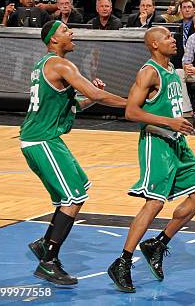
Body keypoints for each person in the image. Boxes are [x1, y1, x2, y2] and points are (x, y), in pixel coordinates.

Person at [21, 20, 126, 285]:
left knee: (78, 188)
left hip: (46, 139)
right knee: (73, 197)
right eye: (66, 31)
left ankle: (44, 244)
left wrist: (92, 96)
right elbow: (95, 94)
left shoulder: (44, 65)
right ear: (53, 40)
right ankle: (49, 259)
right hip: (41, 140)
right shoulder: (60, 64)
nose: (72, 33)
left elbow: (76, 102)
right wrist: (133, 105)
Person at [107, 26, 195, 293]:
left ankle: (158, 244)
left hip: (177, 143)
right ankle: (123, 262)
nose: (172, 39)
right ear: (154, 44)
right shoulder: (148, 71)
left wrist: (182, 122)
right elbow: (131, 110)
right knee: (154, 204)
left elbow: (169, 107)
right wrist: (169, 122)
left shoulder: (171, 71)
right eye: (166, 37)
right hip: (157, 143)